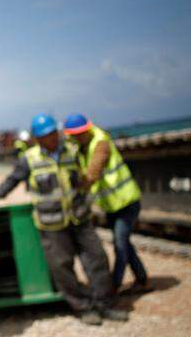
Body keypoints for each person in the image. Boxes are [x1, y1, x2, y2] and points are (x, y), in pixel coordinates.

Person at [0, 114, 127, 325]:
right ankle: (83, 307)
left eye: (53, 134)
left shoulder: (72, 150)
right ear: (38, 139)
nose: (51, 138)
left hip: (79, 218)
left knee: (97, 259)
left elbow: (92, 149)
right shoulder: (30, 159)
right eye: (45, 136)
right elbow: (12, 180)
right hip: (52, 225)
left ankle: (104, 304)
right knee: (61, 267)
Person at [64, 113, 151, 294]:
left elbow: (93, 174)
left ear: (87, 130)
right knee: (125, 243)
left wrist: (76, 183)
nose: (76, 137)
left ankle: (114, 285)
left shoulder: (100, 143)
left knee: (120, 244)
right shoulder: (80, 146)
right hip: (112, 205)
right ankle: (142, 280)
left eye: (79, 134)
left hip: (126, 201)